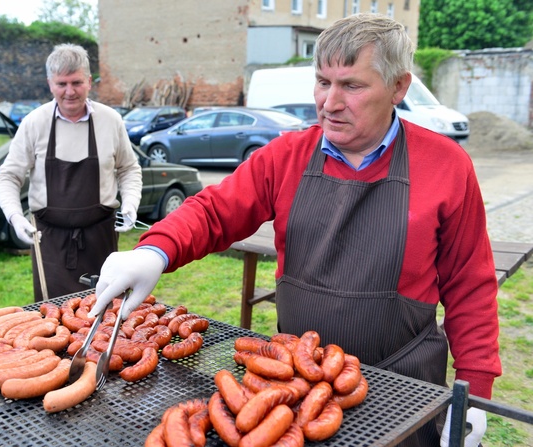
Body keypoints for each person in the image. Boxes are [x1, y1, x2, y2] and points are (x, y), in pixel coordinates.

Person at [90, 13, 502, 447]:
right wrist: (154, 251)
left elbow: (469, 285)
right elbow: (214, 210)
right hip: (294, 386)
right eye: (323, 82)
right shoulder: (287, 156)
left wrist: (476, 390)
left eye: (353, 85)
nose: (330, 102)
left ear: (399, 87)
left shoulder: (446, 166)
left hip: (404, 386)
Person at [0, 43, 142, 302]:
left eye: (76, 83)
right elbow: (8, 176)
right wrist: (15, 217)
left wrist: (130, 203)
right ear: (50, 84)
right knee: (52, 322)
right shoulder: (34, 123)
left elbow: (129, 168)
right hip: (49, 242)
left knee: (105, 316)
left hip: (100, 239)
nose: (70, 92)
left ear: (89, 81)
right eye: (61, 84)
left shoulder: (110, 121)